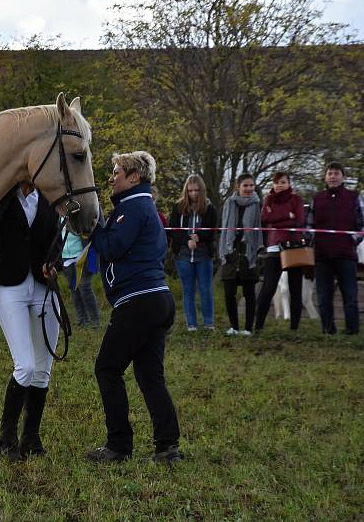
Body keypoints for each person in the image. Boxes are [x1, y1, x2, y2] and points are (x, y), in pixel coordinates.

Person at [86, 151, 182, 464]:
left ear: (133, 177)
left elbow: (113, 247)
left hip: (138, 301)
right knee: (150, 375)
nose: (112, 178)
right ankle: (167, 447)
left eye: (117, 173)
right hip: (158, 299)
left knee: (107, 368)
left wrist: (94, 226)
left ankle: (119, 446)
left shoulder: (133, 207)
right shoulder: (146, 206)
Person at [0, 180, 62, 461]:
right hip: (11, 285)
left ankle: (31, 437)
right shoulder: (2, 197)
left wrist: (55, 262)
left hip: (44, 287)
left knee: (43, 369)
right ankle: (6, 437)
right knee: (26, 365)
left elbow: (57, 238)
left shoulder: (48, 197)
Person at [306, 162, 364, 335]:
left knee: (350, 296)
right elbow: (309, 226)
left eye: (336, 173)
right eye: (330, 173)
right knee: (324, 297)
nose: (333, 176)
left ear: (343, 177)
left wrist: (351, 240)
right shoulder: (317, 199)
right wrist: (315, 240)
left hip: (346, 255)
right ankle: (328, 329)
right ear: (325, 177)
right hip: (322, 255)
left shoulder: (354, 197)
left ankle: (352, 330)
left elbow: (362, 227)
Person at [254, 172, 305, 331]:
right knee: (268, 288)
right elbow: (264, 218)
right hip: (274, 247)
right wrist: (286, 215)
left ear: (289, 183)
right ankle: (258, 326)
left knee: (295, 290)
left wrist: (275, 217)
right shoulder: (268, 199)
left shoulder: (297, 199)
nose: (279, 185)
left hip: (294, 246)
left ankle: (294, 328)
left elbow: (298, 220)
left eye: (283, 182)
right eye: (276, 182)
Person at [168, 174, 217, 331]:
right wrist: (186, 240)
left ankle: (208, 323)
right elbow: (173, 230)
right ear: (186, 191)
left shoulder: (210, 209)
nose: (194, 193)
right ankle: (191, 325)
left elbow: (212, 231)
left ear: (201, 190)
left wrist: (200, 236)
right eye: (190, 190)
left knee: (205, 290)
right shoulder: (178, 208)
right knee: (188, 291)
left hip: (204, 257)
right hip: (183, 256)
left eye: (196, 190)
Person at [218, 173, 263, 336]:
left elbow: (258, 227)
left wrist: (256, 248)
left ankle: (248, 328)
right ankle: (234, 326)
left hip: (247, 252)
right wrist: (225, 248)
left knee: (249, 293)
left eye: (252, 185)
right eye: (246, 185)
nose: (249, 188)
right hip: (231, 251)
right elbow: (224, 227)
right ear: (238, 186)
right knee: (229, 292)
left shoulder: (257, 204)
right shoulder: (229, 203)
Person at [61, 226, 100, 327]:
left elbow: (87, 232)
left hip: (82, 255)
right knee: (74, 289)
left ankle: (95, 320)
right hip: (65, 257)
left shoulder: (77, 214)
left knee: (85, 287)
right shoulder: (57, 216)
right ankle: (82, 319)